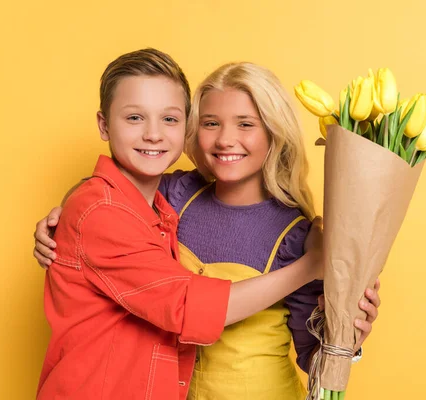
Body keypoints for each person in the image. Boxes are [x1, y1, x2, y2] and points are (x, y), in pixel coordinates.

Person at [36, 49, 325, 400]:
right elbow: (185, 306)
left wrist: (347, 334)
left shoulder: (298, 234)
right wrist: (68, 213)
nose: (225, 139)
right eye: (210, 122)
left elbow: (315, 355)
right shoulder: (175, 195)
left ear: (275, 131)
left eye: (246, 124)